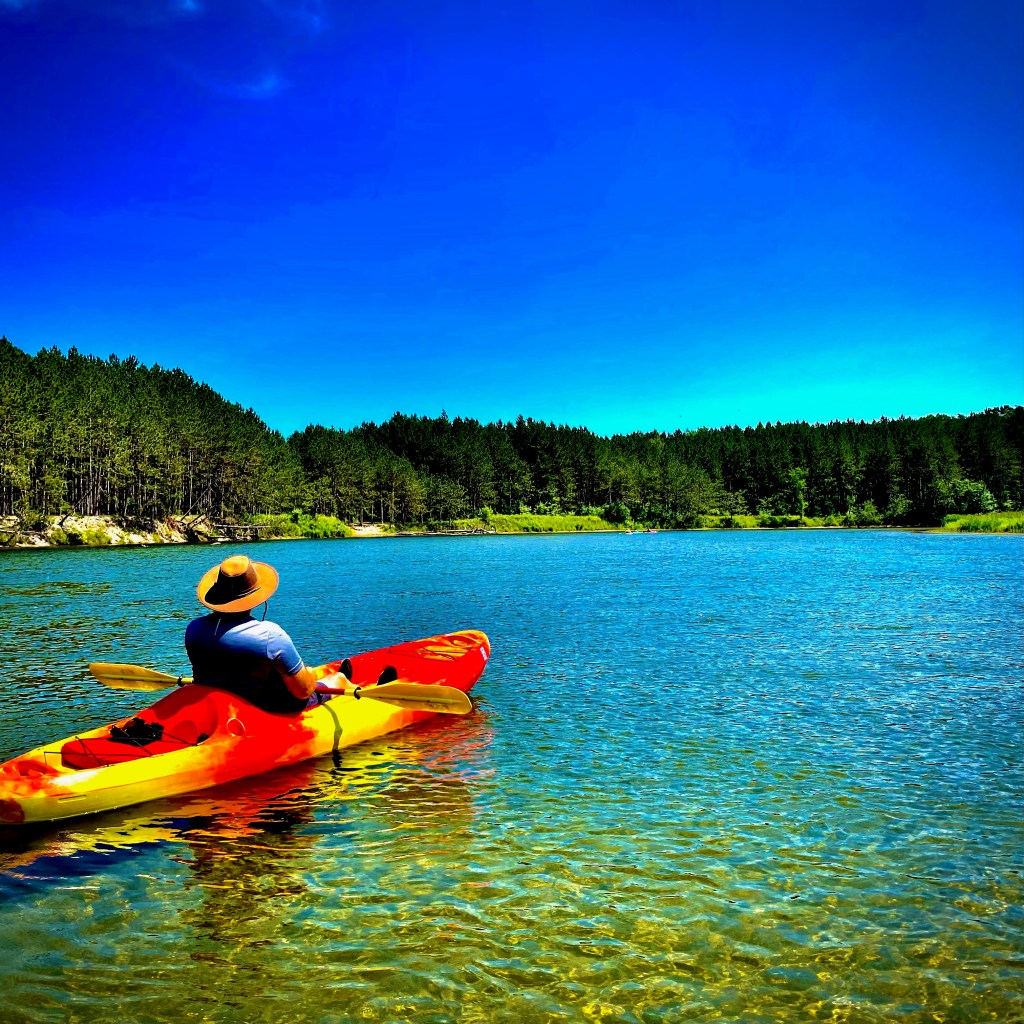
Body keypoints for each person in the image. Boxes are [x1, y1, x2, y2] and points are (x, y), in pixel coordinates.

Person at [185, 554, 326, 713]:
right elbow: (303, 692)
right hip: (268, 710)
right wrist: (311, 675)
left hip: (218, 707)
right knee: (338, 680)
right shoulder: (270, 636)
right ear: (256, 595)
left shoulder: (194, 629)